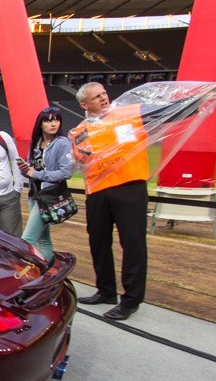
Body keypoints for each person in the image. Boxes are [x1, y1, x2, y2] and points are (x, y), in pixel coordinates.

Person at [70, 82, 148, 320]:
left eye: (104, 94)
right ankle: (106, 291)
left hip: (129, 186)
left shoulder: (129, 113)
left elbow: (168, 112)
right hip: (97, 190)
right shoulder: (79, 131)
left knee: (133, 243)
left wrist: (202, 99)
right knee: (98, 242)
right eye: (96, 97)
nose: (104, 98)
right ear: (84, 105)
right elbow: (81, 160)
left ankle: (131, 300)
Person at [17, 107, 74, 261]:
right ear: (40, 124)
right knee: (44, 240)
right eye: (48, 121)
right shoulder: (36, 143)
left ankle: (31, 270)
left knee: (27, 240)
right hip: (34, 195)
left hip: (48, 197)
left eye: (56, 120)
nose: (53, 124)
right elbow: (31, 170)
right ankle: (49, 266)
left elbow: (66, 173)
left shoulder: (63, 143)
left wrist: (36, 174)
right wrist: (25, 170)